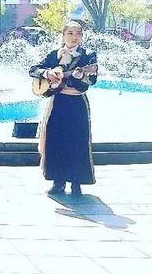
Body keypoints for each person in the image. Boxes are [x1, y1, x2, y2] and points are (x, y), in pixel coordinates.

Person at [29, 20, 99, 196]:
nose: (74, 37)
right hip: (58, 102)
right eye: (70, 33)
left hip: (77, 103)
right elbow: (33, 69)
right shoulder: (54, 55)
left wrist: (78, 75)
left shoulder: (88, 56)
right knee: (56, 140)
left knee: (77, 141)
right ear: (63, 35)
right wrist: (47, 73)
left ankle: (77, 182)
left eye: (78, 34)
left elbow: (92, 80)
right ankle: (57, 181)